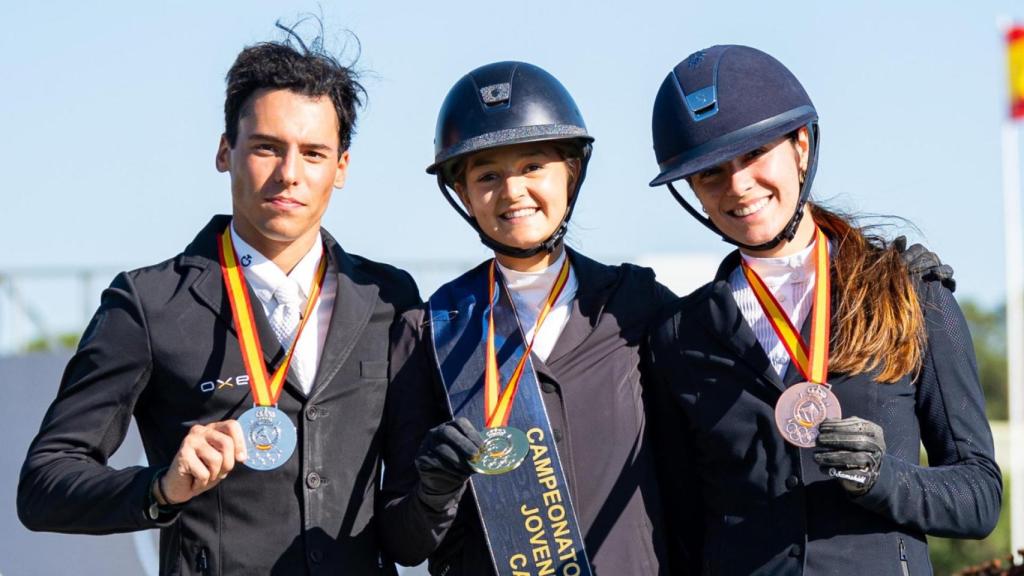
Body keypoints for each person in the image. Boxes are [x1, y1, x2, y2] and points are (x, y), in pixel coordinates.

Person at [17, 26, 419, 575]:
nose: (289, 174)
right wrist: (160, 488)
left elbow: (409, 504)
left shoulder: (391, 299)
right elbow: (44, 483)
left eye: (314, 153)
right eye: (266, 147)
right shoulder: (147, 303)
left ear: (341, 168)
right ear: (225, 151)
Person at [645, 44, 1002, 575]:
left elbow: (979, 494)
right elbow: (679, 527)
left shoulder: (912, 291)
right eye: (711, 173)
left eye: (754, 155)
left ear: (801, 146)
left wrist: (887, 479)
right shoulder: (679, 336)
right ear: (693, 191)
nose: (738, 185)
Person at [377, 61, 674, 575]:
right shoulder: (429, 331)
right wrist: (433, 491)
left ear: (571, 172)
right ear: (464, 194)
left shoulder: (639, 306)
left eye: (533, 166)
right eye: (488, 175)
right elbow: (404, 543)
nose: (512, 191)